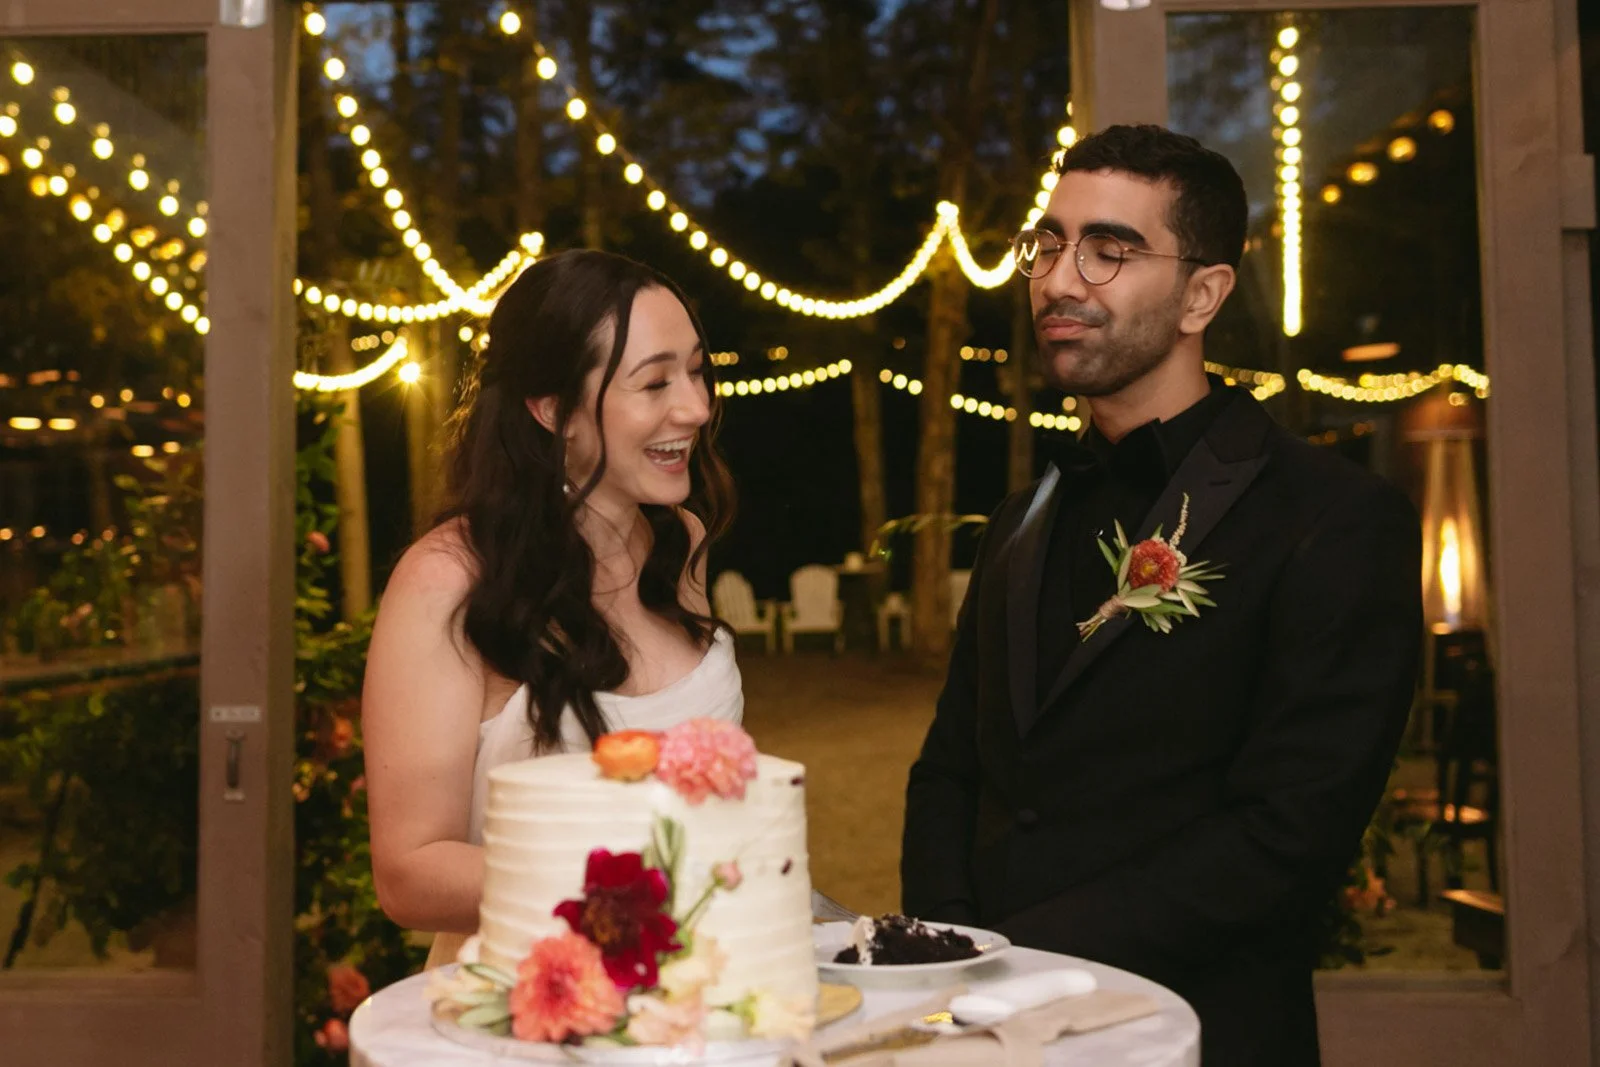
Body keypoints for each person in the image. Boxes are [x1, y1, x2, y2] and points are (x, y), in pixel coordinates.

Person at [900, 124, 1422, 1066]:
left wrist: (1028, 960)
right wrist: (950, 954)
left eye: (1110, 250)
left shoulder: (1335, 518)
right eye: (1048, 245)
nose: (1060, 280)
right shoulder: (1023, 517)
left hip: (1202, 1035)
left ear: (1203, 295)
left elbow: (1286, 835)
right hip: (984, 1036)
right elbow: (951, 771)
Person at [362, 249, 741, 969]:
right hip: (523, 1007)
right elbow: (408, 874)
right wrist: (640, 892)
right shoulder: (448, 579)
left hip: (696, 996)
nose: (695, 406)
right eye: (655, 380)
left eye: (696, 370)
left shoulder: (680, 541)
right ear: (552, 409)